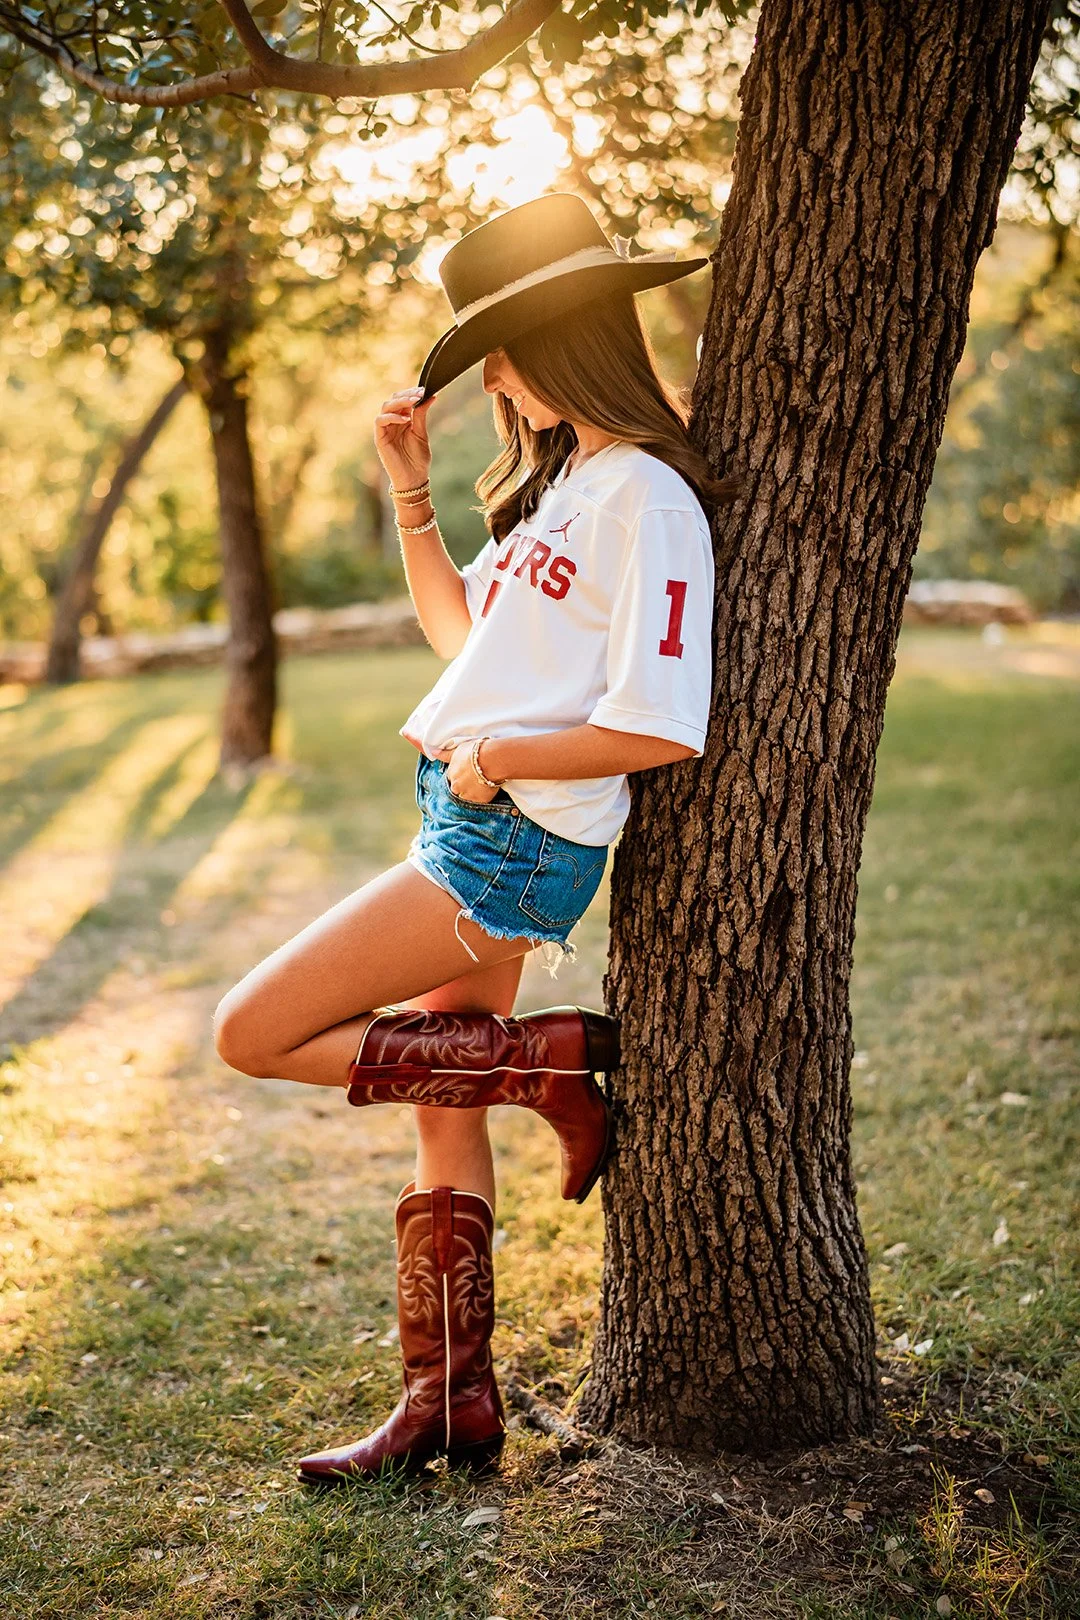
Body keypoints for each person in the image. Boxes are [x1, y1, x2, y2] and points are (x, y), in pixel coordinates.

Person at [211, 192, 739, 1485]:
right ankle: (452, 1401)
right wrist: (409, 493)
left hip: (503, 846)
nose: (493, 378)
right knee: (438, 1107)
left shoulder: (646, 502)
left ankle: (545, 1066)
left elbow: (661, 726)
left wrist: (498, 758)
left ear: (567, 338)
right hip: (472, 822)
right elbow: (469, 643)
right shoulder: (562, 489)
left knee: (251, 1030)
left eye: (503, 348)